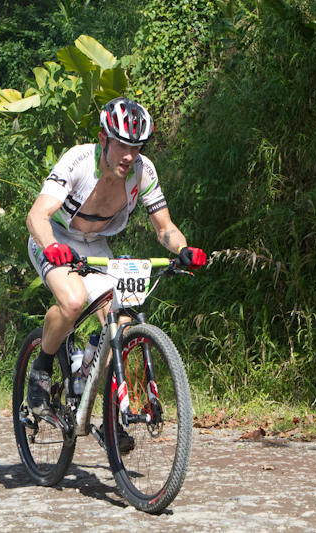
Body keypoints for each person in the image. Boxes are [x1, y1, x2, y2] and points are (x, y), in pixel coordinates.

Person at [25, 97, 207, 424]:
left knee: (121, 323)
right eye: (122, 146)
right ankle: (41, 366)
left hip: (95, 244)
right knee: (74, 302)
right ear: (103, 139)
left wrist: (183, 250)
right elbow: (37, 215)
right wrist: (51, 246)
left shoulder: (142, 171)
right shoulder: (78, 161)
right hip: (53, 237)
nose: (129, 156)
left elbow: (165, 228)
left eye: (136, 148)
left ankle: (99, 395)